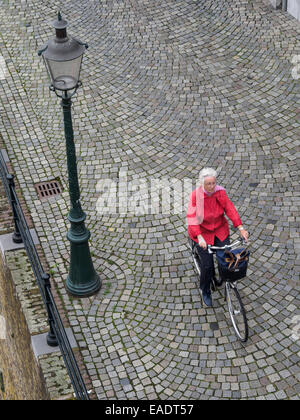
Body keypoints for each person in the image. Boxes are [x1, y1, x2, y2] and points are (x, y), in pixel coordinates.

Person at [187, 168, 249, 307]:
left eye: (213, 183)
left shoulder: (220, 192)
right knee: (207, 266)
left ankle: (223, 277)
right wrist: (199, 237)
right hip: (202, 233)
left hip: (219, 230)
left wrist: (241, 228)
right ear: (202, 184)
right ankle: (205, 290)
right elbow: (192, 218)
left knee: (225, 258)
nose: (211, 187)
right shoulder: (196, 196)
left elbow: (230, 209)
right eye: (208, 184)